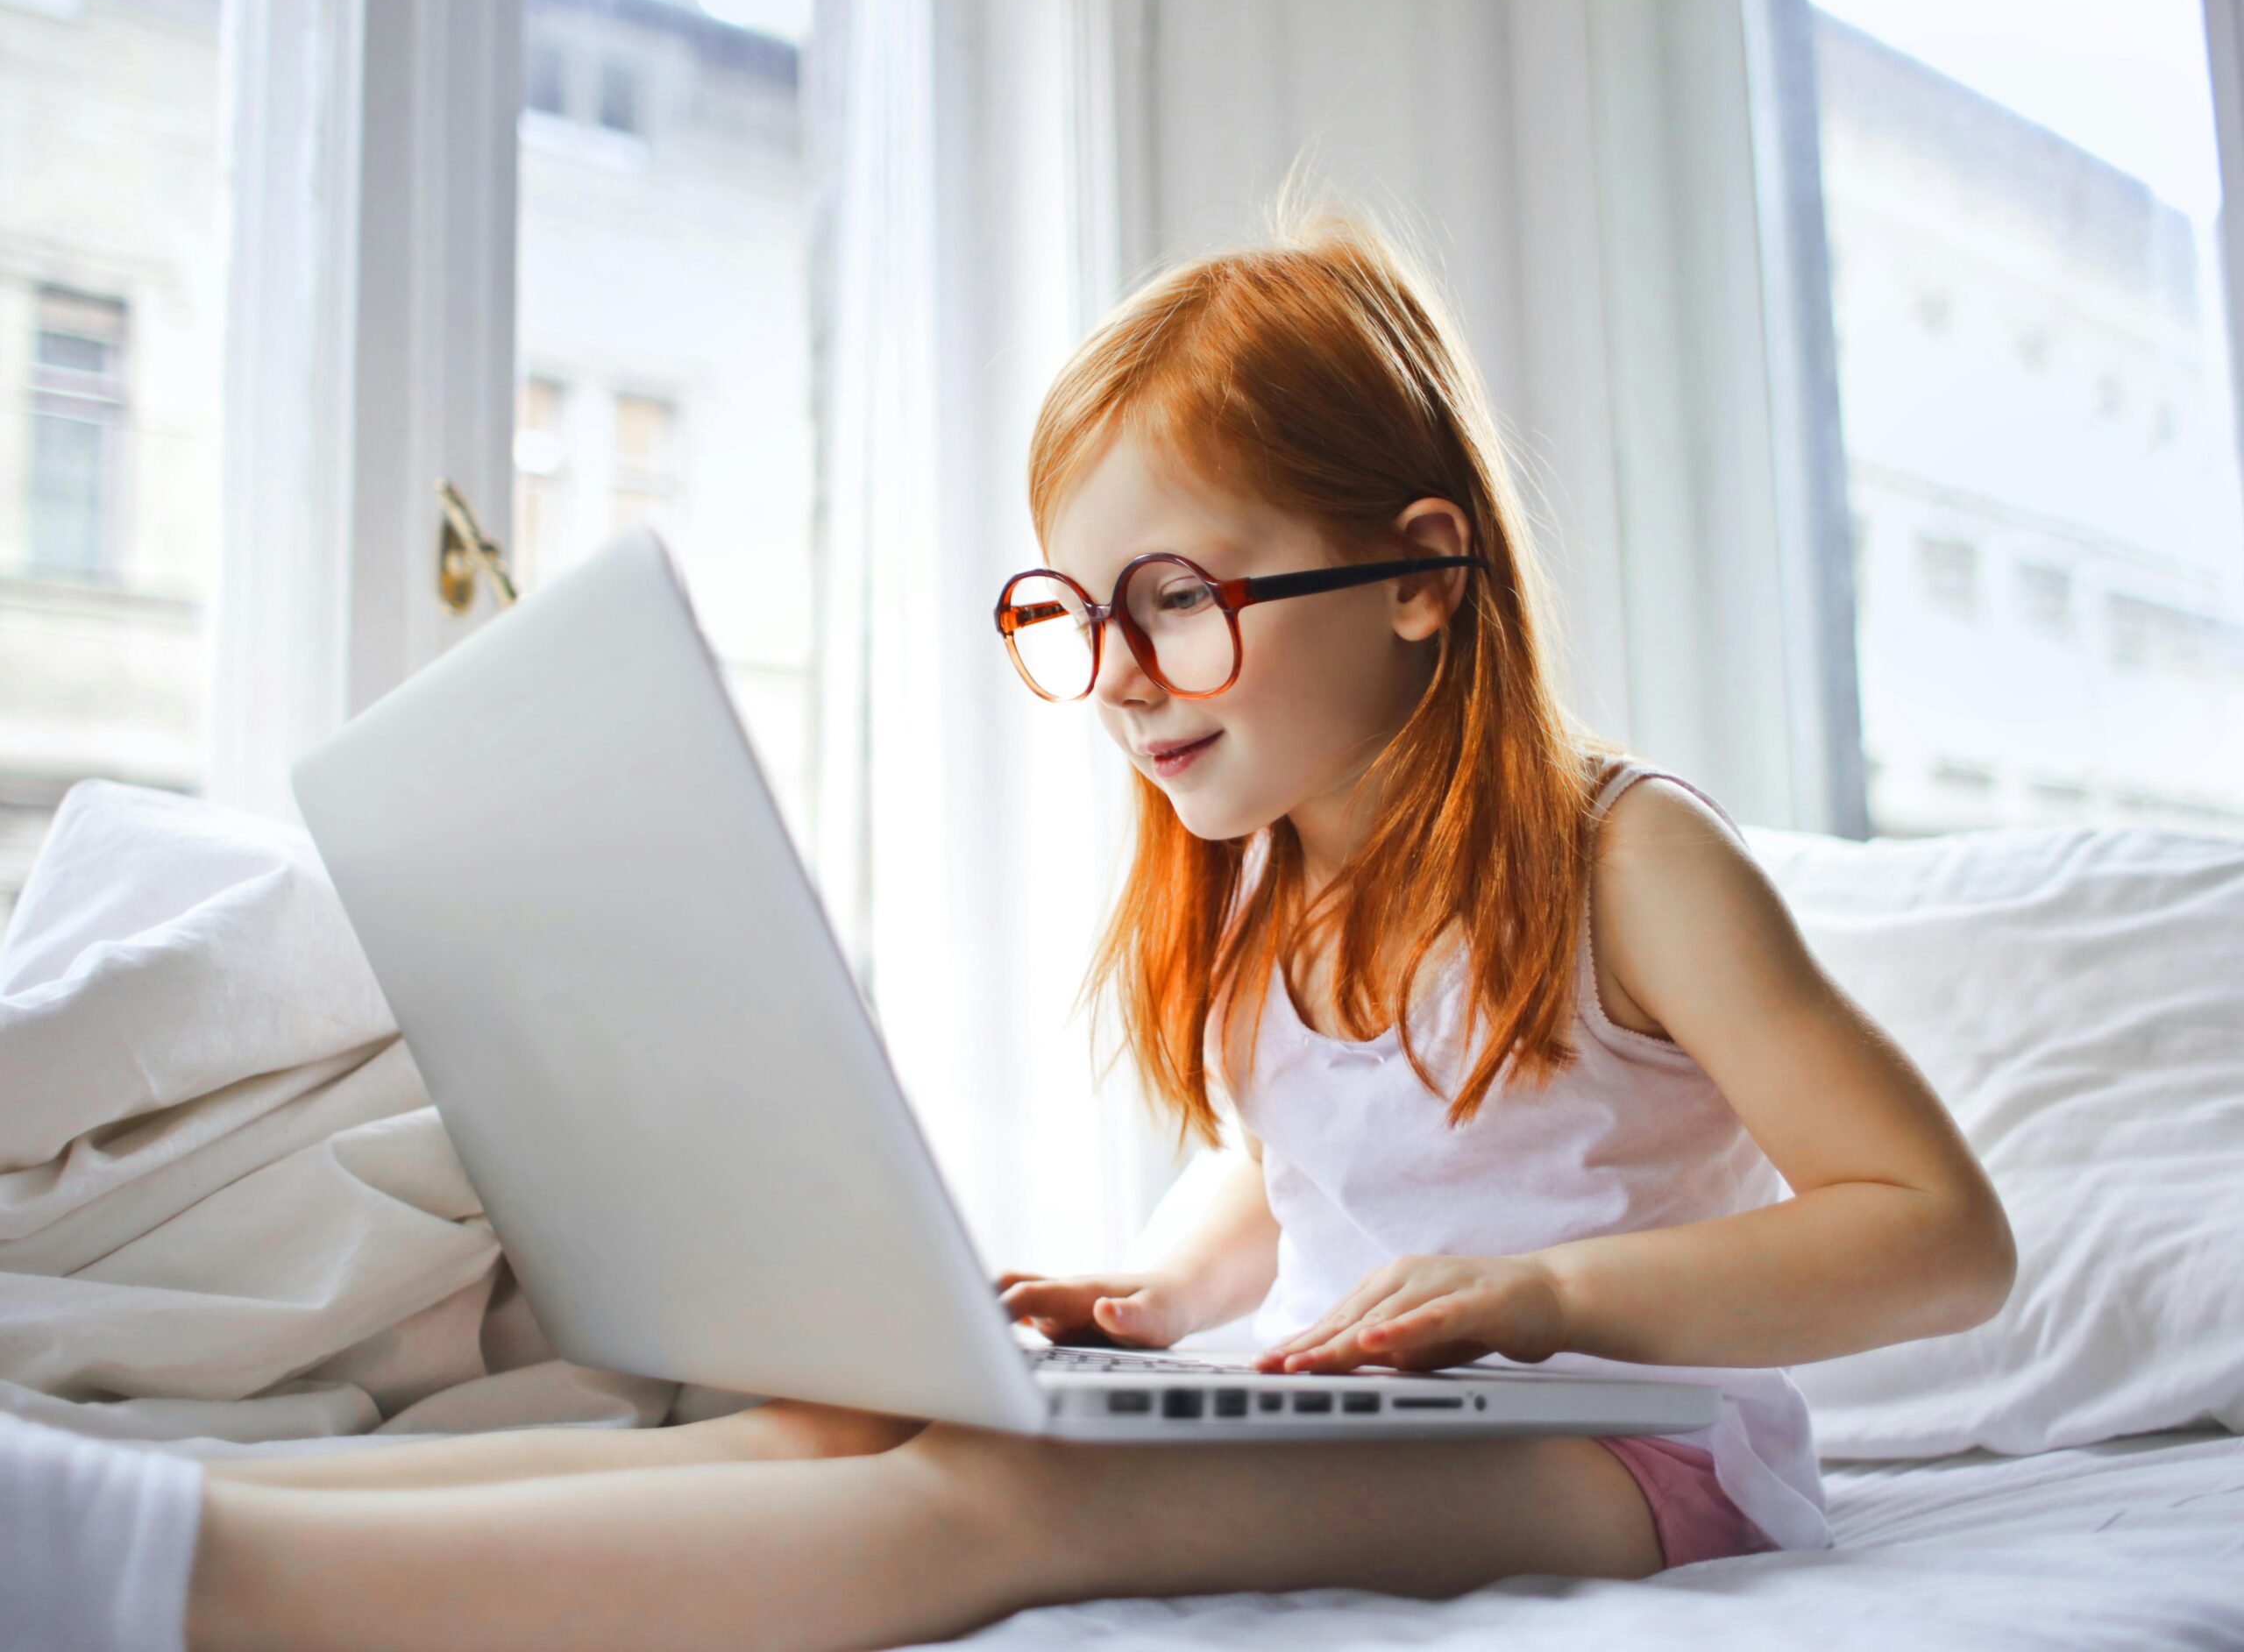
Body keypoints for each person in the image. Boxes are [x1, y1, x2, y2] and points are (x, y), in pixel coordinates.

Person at [166, 189, 2014, 1650]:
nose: (1122, 676)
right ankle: (163, 1512)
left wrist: (1544, 1293)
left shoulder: (1625, 856)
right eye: (1078, 611)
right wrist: (1156, 1291)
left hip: (1638, 1442)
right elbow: (1292, 1154)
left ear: (1424, 576)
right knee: (834, 1422)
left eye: (1175, 599)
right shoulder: (1274, 874)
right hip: (1401, 1411)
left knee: (1008, 1508)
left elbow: (1934, 1237)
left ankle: (179, 1595)